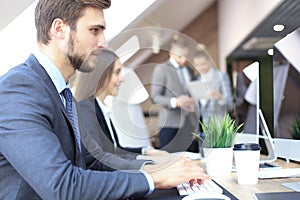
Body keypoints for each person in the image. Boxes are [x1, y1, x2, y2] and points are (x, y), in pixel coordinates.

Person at [0, 0, 209, 199]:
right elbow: (62, 187)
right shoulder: (19, 89)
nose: (103, 42)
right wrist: (154, 178)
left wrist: (159, 168)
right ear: (59, 29)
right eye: (94, 30)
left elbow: (94, 161)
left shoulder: (61, 93)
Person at [75, 49, 168, 157]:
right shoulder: (86, 110)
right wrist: (145, 167)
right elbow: (99, 160)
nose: (122, 79)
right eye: (117, 72)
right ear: (102, 74)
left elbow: (115, 151)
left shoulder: (99, 108)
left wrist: (146, 151)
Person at [151, 35, 199, 153]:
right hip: (170, 124)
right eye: (180, 56)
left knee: (190, 160)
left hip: (188, 124)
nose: (184, 59)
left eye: (186, 56)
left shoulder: (189, 70)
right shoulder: (161, 69)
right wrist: (175, 102)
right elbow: (155, 97)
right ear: (171, 53)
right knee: (169, 162)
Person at [192, 47, 234, 123]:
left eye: (203, 64)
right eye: (197, 65)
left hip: (220, 125)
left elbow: (230, 105)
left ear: (210, 61)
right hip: (204, 127)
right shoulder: (197, 80)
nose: (200, 68)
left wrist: (220, 97)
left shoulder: (222, 77)